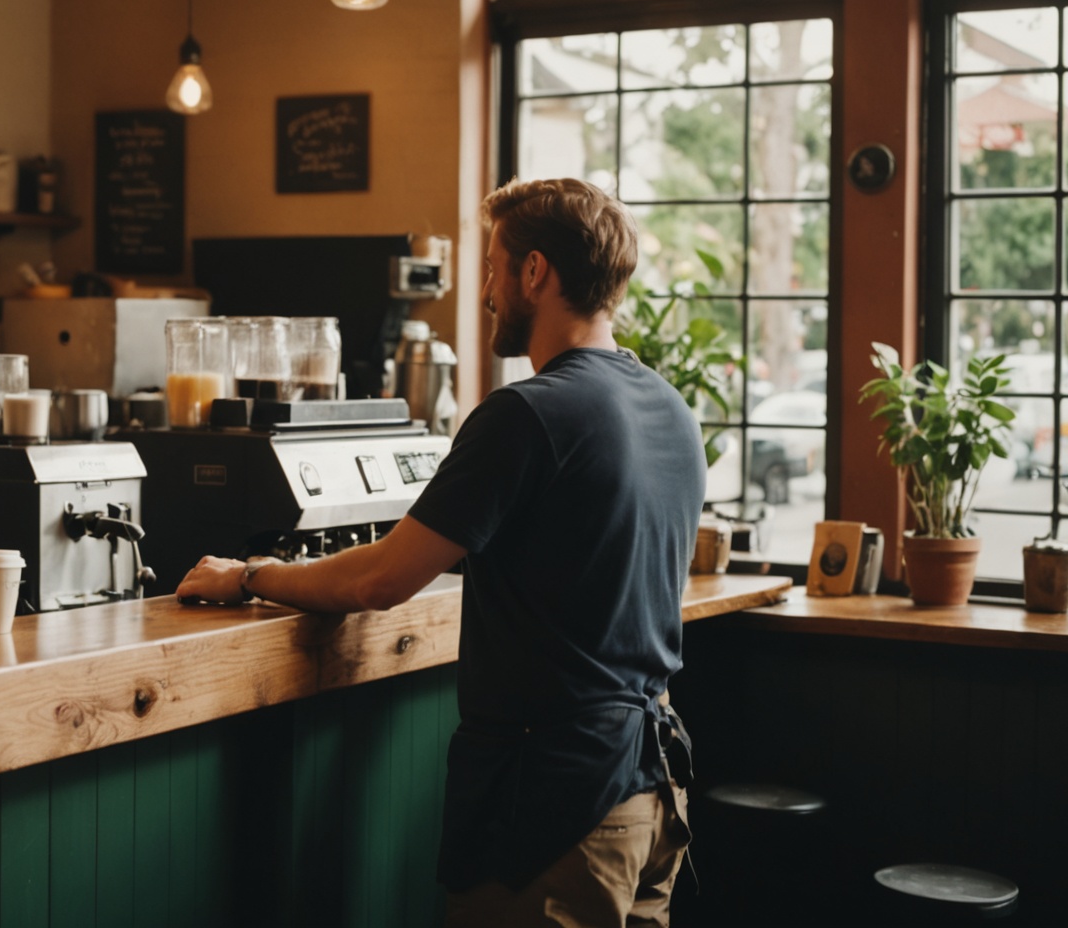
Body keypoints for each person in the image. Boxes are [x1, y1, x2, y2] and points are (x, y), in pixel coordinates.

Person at [177, 177, 705, 927]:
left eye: (493, 266)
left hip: (558, 805)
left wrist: (250, 575)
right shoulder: (669, 408)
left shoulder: (527, 415)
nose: (486, 290)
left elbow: (380, 578)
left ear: (534, 273)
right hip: (651, 794)